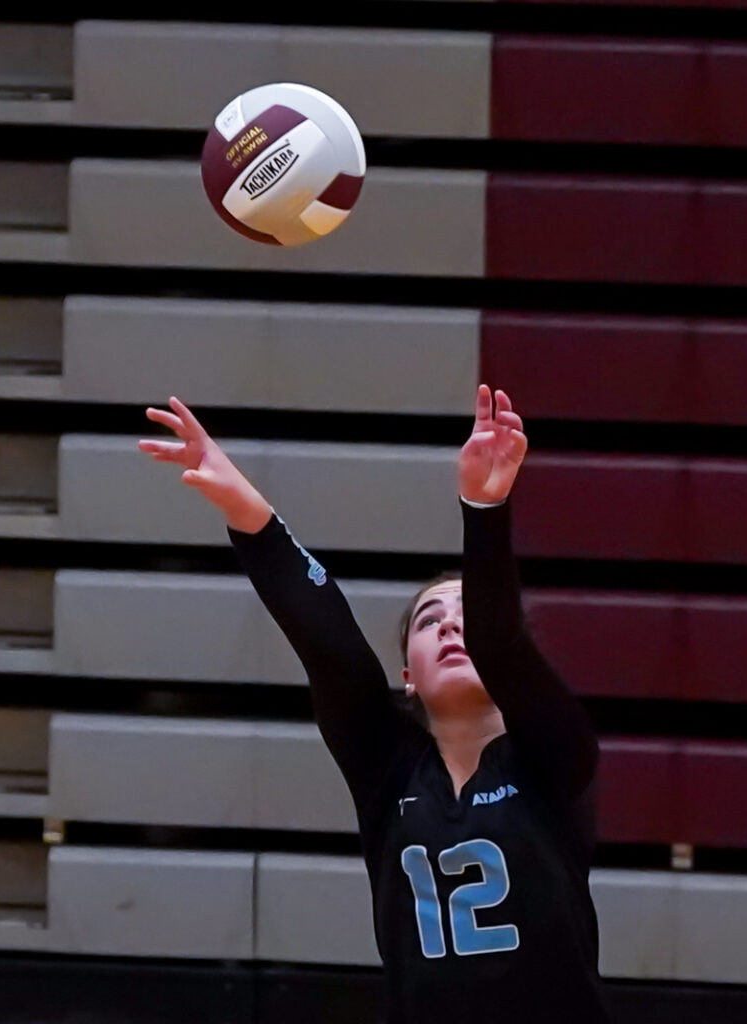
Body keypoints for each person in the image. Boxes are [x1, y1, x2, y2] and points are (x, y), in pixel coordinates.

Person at [139, 386, 609, 1023]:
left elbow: (500, 643)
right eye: (429, 620)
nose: (450, 626)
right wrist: (250, 515)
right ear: (407, 676)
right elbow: (330, 645)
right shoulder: (389, 772)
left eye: (466, 613)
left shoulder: (557, 754)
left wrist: (485, 506)